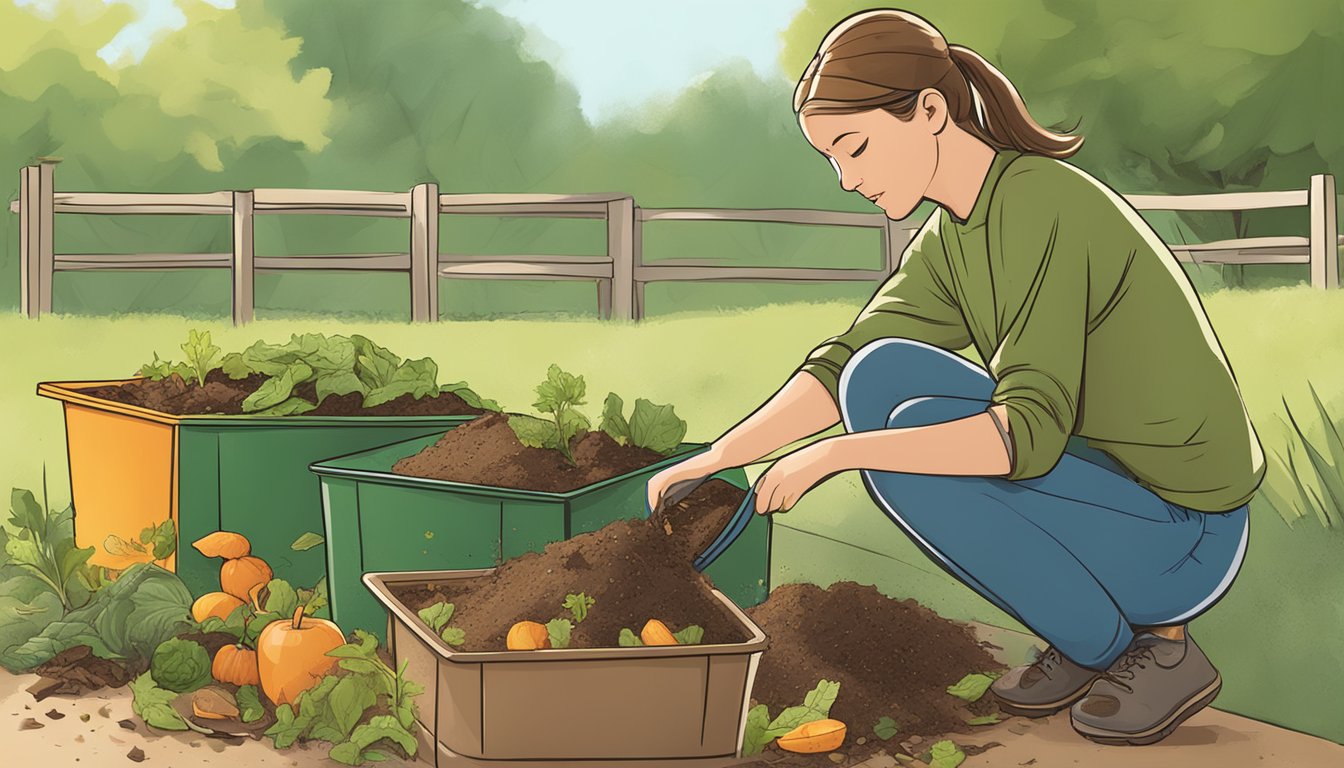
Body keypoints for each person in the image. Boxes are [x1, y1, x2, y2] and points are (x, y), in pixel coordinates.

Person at [646, 8, 1265, 747]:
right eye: (832, 160)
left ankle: (1160, 646)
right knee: (877, 377)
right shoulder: (953, 234)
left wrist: (838, 454)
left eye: (857, 147)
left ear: (931, 111)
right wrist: (722, 457)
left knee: (894, 448)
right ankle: (1091, 640)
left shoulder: (1041, 205)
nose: (848, 180)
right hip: (1104, 490)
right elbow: (846, 360)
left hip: (1182, 539)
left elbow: (1023, 439)